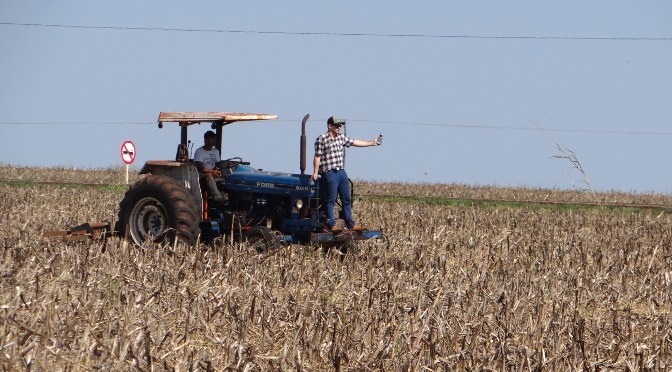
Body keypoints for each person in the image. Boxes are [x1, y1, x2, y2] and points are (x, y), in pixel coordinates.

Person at [312, 116, 381, 233]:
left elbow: (355, 142)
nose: (339, 127)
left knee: (346, 199)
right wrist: (315, 172)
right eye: (337, 125)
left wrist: (372, 143)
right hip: (329, 172)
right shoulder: (322, 139)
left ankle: (350, 224)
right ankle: (332, 225)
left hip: (341, 172)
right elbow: (317, 156)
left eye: (340, 126)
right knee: (331, 199)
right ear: (330, 126)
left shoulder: (341, 138)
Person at [193, 130, 228, 205]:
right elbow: (200, 168)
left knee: (227, 178)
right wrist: (212, 172)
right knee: (208, 176)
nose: (215, 141)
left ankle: (227, 198)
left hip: (212, 173)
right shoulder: (199, 151)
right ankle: (218, 198)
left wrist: (217, 170)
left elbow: (218, 164)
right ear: (207, 139)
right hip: (201, 174)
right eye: (213, 139)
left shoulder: (216, 151)